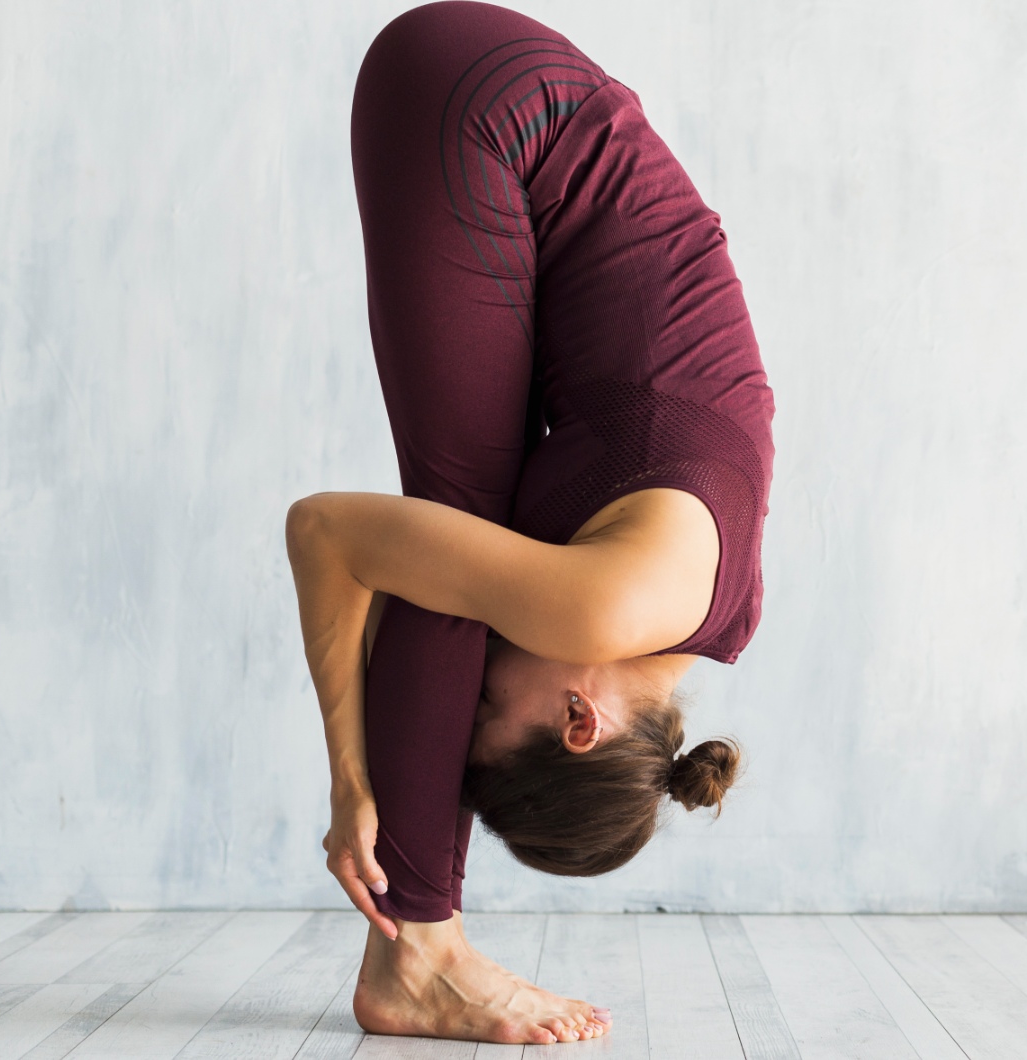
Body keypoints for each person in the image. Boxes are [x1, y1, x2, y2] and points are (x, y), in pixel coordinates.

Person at [284, 1, 774, 1045]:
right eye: (484, 715)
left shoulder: (710, 616)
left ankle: (418, 941)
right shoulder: (604, 605)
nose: (477, 682)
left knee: (455, 548)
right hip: (486, 106)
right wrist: (349, 779)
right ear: (578, 717)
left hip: (504, 91)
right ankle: (414, 948)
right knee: (447, 546)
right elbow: (325, 532)